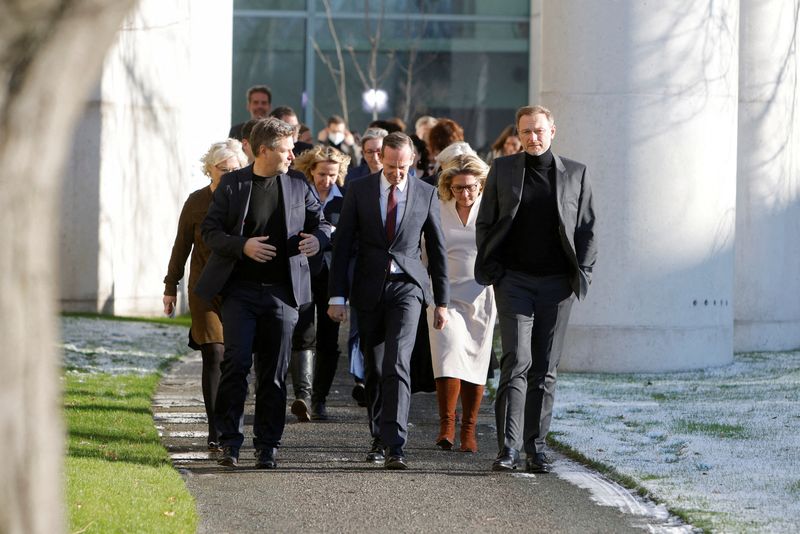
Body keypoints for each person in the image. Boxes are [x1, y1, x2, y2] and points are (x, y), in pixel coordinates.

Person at [194, 117, 331, 469]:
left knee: (273, 372)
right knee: (235, 364)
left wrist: (318, 239)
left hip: (283, 294)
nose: (292, 156)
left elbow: (324, 223)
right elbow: (210, 231)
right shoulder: (234, 185)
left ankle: (268, 445)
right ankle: (230, 442)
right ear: (264, 150)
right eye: (286, 150)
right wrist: (244, 246)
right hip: (239, 292)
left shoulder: (299, 183)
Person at [475, 105, 597, 474]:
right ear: (518, 133)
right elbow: (487, 221)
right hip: (514, 281)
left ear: (552, 131)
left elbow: (587, 228)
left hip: (558, 286)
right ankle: (507, 449)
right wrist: (495, 269)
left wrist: (583, 273)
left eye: (539, 130)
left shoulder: (575, 173)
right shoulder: (503, 169)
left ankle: (536, 448)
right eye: (526, 131)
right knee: (516, 361)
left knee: (544, 369)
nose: (533, 137)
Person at [327, 132, 449, 470]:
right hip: (368, 288)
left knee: (398, 362)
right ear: (382, 159)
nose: (397, 173)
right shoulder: (360, 190)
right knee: (376, 366)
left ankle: (396, 443)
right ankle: (378, 438)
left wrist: (442, 301)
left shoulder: (425, 193)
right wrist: (337, 296)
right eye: (391, 166)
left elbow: (437, 252)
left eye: (403, 167)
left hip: (407, 287)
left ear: (411, 162)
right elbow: (343, 246)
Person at [162, 139, 247, 452]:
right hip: (204, 289)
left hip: (239, 287)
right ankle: (215, 428)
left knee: (237, 360)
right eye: (221, 170)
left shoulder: (248, 198)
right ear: (209, 170)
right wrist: (171, 286)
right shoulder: (197, 201)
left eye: (234, 170)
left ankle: (231, 423)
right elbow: (181, 246)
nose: (227, 175)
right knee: (214, 354)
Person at [426, 154, 496, 453]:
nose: (464, 193)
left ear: (481, 185)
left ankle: (469, 429)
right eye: (458, 188)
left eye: (470, 187)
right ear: (448, 186)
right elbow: (424, 251)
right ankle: (446, 426)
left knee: (476, 362)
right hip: (444, 294)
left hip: (481, 294)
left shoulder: (491, 211)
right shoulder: (439, 209)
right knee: (447, 353)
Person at [293, 145, 351, 420]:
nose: (326, 180)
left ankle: (320, 400)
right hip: (304, 271)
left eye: (332, 174)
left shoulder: (346, 199)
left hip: (334, 275)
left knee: (329, 338)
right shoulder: (301, 196)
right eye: (321, 174)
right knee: (303, 331)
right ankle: (302, 396)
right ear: (311, 171)